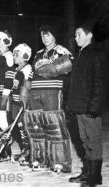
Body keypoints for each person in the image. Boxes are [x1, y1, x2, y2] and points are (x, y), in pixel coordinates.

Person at [29, 25, 73, 171]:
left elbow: (62, 68)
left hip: (52, 92)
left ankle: (59, 161)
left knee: (54, 126)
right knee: (37, 126)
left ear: (54, 35)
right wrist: (25, 94)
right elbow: (31, 75)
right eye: (42, 35)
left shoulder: (62, 51)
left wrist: (43, 69)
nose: (44, 38)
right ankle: (40, 158)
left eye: (47, 34)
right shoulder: (38, 53)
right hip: (35, 93)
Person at [67, 23, 103, 186]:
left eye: (79, 34)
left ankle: (95, 176)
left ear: (89, 36)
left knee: (93, 140)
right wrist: (71, 105)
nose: (76, 38)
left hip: (90, 107)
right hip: (79, 106)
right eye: (75, 35)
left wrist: (94, 107)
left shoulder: (96, 55)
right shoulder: (80, 55)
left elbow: (100, 83)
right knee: (83, 140)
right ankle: (88, 172)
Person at [10, 43, 33, 164]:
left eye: (16, 54)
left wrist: (24, 101)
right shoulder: (16, 69)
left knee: (24, 126)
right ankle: (24, 148)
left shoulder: (27, 69)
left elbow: (27, 86)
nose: (14, 56)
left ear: (24, 55)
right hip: (14, 101)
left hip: (22, 103)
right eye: (13, 54)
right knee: (17, 126)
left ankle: (29, 151)